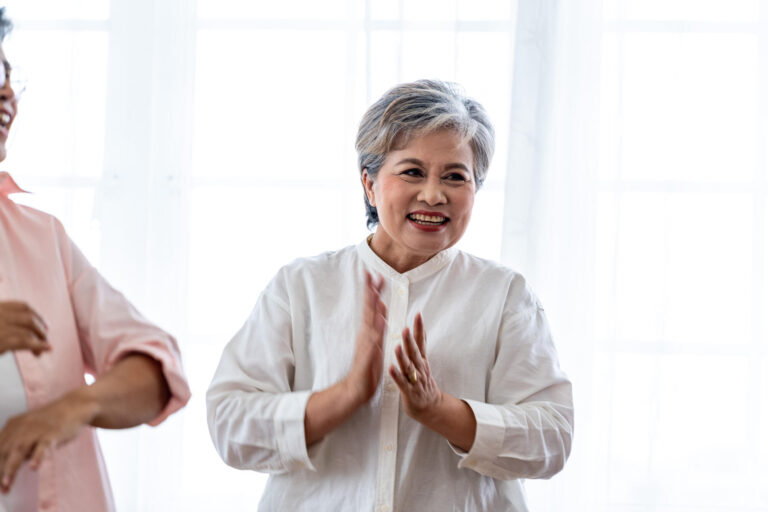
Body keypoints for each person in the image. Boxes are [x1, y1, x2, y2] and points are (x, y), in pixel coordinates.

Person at [207, 79, 573, 511]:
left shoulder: (506, 295)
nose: (434, 194)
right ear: (369, 184)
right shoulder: (301, 285)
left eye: (455, 176)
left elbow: (552, 437)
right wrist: (344, 397)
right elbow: (229, 425)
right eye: (413, 171)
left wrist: (440, 410)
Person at [0, 8, 190, 512]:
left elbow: (155, 367)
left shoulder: (42, 238)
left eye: (7, 75)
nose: (6, 95)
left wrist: (73, 406)